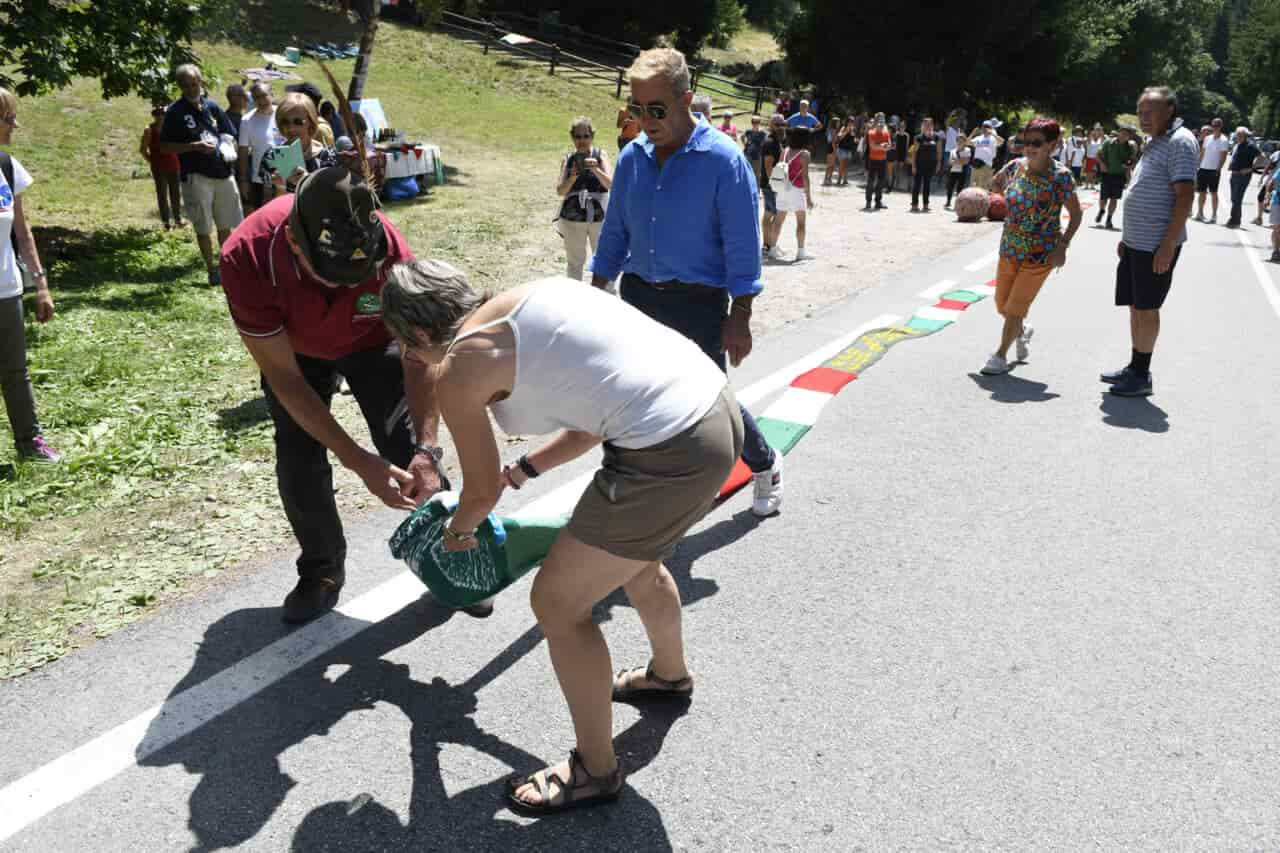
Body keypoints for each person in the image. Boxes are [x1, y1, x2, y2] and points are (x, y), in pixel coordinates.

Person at [380, 261, 743, 815]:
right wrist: (525, 468)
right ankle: (669, 677)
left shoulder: (459, 367)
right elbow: (594, 414)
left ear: (421, 336)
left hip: (669, 449)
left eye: (408, 350)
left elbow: (477, 497)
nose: (417, 362)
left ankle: (595, 771)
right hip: (715, 409)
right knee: (635, 562)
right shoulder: (536, 296)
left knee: (556, 601)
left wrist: (456, 535)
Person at [218, 166, 452, 622]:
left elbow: (419, 355)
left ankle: (451, 550)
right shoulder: (247, 256)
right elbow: (285, 379)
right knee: (298, 451)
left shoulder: (391, 254)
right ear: (292, 242)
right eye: (332, 277)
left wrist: (427, 444)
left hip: (372, 341)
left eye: (355, 277)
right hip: (296, 352)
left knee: (405, 444)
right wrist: (357, 460)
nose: (347, 288)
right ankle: (321, 570)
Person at [590, 47, 783, 517]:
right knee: (631, 399)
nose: (646, 120)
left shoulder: (723, 159)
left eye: (657, 109)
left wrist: (741, 314)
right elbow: (614, 231)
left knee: (707, 403)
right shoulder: (633, 158)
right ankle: (636, 489)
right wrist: (595, 295)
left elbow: (742, 242)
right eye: (637, 109)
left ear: (686, 99)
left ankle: (763, 463)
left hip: (697, 303)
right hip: (637, 296)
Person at [1102, 86, 1198, 398]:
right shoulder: (1156, 139)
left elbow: (1184, 196)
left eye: (1149, 112)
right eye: (1140, 112)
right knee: (1135, 305)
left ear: (1169, 110)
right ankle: (1134, 365)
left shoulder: (1181, 142)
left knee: (1147, 308)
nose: (1143, 118)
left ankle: (1142, 375)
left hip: (1156, 245)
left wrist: (1168, 244)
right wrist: (1127, 238)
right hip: (1136, 243)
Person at [979, 118, 1081, 376]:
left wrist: (1063, 245)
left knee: (1016, 306)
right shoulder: (1015, 167)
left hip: (1041, 252)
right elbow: (997, 183)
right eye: (1025, 142)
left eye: (1036, 143)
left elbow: (1076, 214)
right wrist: (992, 190)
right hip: (1010, 246)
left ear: (1053, 145)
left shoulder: (1061, 177)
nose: (1029, 147)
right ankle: (1022, 331)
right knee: (1003, 304)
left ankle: (1000, 355)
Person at [0, 86, 60, 463]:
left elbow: (22, 233)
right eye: (8, 118)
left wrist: (40, 285)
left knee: (15, 371)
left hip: (6, 288)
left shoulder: (6, 167)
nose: (15, 124)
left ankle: (30, 443)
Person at [159, 64, 244, 286]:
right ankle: (211, 268)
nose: (190, 88)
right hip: (197, 177)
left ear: (201, 82)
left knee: (226, 223)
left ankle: (226, 265)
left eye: (194, 83)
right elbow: (165, 147)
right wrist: (193, 146)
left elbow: (228, 133)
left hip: (223, 173)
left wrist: (228, 145)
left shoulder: (212, 107)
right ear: (179, 86)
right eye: (185, 85)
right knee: (203, 225)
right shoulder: (175, 112)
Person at [555, 116, 612, 282]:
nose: (582, 140)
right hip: (572, 217)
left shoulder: (601, 155)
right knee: (574, 262)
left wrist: (596, 169)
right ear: (572, 137)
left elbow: (610, 184)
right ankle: (574, 299)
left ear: (592, 136)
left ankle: (605, 295)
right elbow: (560, 191)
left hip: (599, 216)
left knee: (602, 259)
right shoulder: (568, 158)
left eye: (586, 136)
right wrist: (572, 177)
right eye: (577, 136)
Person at [258, 93, 339, 201]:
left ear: (310, 122)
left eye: (298, 122)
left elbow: (333, 203)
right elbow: (267, 206)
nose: (291, 128)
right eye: (285, 122)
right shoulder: (272, 157)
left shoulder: (328, 157)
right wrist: (280, 189)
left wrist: (307, 181)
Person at [237, 81, 281, 214]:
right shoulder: (247, 121)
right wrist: (243, 180)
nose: (261, 101)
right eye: (256, 98)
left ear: (271, 94)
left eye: (264, 96)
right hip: (261, 181)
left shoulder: (283, 113)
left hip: (286, 176)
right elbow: (243, 152)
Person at [140, 105, 184, 230]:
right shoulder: (149, 130)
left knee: (176, 194)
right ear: (153, 115)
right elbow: (143, 150)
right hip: (159, 167)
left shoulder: (172, 128)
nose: (160, 116)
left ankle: (178, 219)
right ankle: (166, 222)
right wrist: (152, 161)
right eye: (157, 113)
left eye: (163, 113)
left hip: (174, 165)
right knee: (162, 194)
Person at [773, 126, 814, 260]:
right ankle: (801, 252)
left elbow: (779, 168)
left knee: (778, 220)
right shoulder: (805, 154)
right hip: (796, 190)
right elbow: (805, 177)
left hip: (782, 188)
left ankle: (773, 249)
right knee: (801, 222)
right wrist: (808, 197)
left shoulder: (784, 151)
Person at [1096, 126, 1137, 230]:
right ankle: (1101, 210)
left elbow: (1132, 162)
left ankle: (1109, 219)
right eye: (1122, 133)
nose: (1124, 136)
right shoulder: (1108, 143)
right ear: (1118, 133)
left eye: (1126, 134)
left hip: (1119, 176)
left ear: (1129, 136)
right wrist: (1102, 164)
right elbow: (1098, 155)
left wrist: (1128, 166)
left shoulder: (1130, 147)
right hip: (1107, 174)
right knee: (1103, 197)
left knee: (1114, 199)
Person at [1194, 117, 1231, 222]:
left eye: (1217, 125)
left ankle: (1214, 215)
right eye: (1213, 125)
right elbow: (1202, 152)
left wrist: (1218, 169)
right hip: (1203, 168)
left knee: (1214, 193)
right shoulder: (1207, 138)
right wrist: (1198, 165)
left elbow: (1223, 157)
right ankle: (1200, 213)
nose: (1215, 127)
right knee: (1201, 192)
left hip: (1214, 170)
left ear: (1221, 126)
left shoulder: (1223, 140)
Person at [760, 114, 785, 259]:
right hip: (771, 184)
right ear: (772, 125)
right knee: (774, 214)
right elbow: (768, 165)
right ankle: (770, 246)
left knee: (769, 213)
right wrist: (774, 184)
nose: (781, 127)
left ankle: (768, 245)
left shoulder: (777, 141)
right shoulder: (770, 142)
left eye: (782, 124)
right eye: (778, 124)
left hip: (771, 183)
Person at [1224, 126, 1259, 228]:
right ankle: (1234, 220)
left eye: (1240, 134)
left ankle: (1234, 221)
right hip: (1234, 175)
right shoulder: (1238, 145)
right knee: (1234, 199)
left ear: (1245, 135)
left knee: (1237, 199)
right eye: (1237, 134)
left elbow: (1262, 158)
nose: (1238, 136)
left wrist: (1250, 169)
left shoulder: (1250, 146)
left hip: (1242, 176)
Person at [911, 117, 943, 212]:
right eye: (926, 124)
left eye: (929, 124)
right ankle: (914, 204)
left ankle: (926, 204)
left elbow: (939, 152)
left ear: (932, 125)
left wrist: (938, 164)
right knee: (916, 185)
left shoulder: (937, 137)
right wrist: (913, 166)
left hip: (931, 165)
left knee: (927, 185)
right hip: (919, 164)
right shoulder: (918, 137)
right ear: (922, 126)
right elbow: (914, 153)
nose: (928, 126)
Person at [863, 112, 891, 210]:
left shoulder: (886, 131)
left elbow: (889, 145)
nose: (881, 121)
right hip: (871, 158)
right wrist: (882, 146)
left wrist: (883, 147)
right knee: (870, 181)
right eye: (879, 118)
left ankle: (878, 201)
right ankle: (868, 201)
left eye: (883, 118)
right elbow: (871, 146)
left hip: (882, 159)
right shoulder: (871, 130)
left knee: (880, 181)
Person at [969, 120, 1003, 189]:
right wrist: (972, 133)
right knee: (973, 186)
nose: (985, 128)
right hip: (976, 164)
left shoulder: (993, 138)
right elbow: (967, 143)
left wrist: (992, 134)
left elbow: (1001, 141)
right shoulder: (978, 137)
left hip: (986, 165)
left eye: (987, 127)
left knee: (983, 187)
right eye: (983, 127)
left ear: (991, 128)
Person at [945, 133, 973, 209]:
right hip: (953, 170)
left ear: (964, 141)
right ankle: (948, 201)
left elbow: (966, 161)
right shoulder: (952, 151)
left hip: (962, 171)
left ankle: (958, 203)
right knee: (950, 187)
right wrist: (960, 160)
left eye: (961, 140)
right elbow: (950, 162)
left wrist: (956, 161)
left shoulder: (968, 150)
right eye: (958, 140)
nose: (959, 142)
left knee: (960, 188)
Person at [741, 115, 767, 190]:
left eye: (757, 122)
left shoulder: (762, 132)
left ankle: (757, 190)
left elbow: (766, 142)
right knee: (746, 172)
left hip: (758, 155)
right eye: (753, 122)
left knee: (757, 174)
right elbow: (742, 136)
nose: (755, 124)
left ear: (759, 123)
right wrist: (745, 144)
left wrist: (762, 147)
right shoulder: (748, 131)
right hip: (748, 154)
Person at [835, 116, 857, 187]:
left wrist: (855, 139)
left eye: (852, 122)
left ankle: (845, 180)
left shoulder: (853, 129)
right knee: (841, 165)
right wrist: (846, 131)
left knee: (846, 166)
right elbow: (839, 137)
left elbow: (853, 138)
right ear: (847, 122)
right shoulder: (843, 128)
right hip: (842, 149)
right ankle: (839, 180)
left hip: (849, 149)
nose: (851, 123)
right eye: (850, 121)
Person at [822, 115, 839, 185]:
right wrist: (835, 150)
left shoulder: (833, 130)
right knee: (830, 164)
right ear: (835, 123)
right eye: (838, 122)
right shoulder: (833, 130)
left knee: (832, 164)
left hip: (833, 146)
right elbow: (832, 141)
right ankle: (826, 178)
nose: (839, 124)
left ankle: (829, 178)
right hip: (831, 147)